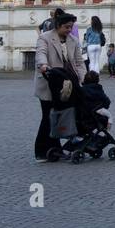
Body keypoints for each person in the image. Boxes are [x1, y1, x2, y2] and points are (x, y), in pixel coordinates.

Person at [34, 11, 85, 162]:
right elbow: (40, 53)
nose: (69, 30)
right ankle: (41, 151)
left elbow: (79, 62)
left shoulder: (73, 40)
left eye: (71, 27)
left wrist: (83, 78)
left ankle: (55, 148)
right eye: (66, 27)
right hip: (49, 81)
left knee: (60, 115)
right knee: (47, 117)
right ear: (58, 26)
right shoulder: (45, 38)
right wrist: (43, 65)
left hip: (67, 83)